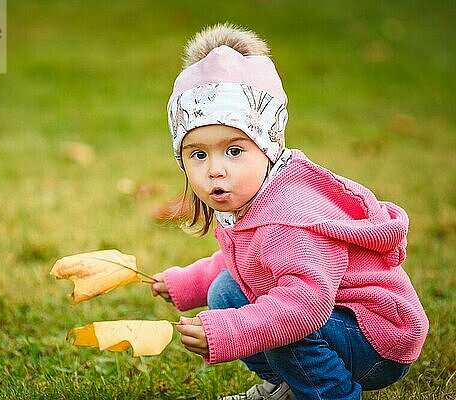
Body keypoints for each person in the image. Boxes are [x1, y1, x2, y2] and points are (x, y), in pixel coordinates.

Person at [151, 23, 428, 400]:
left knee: (283, 325)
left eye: (234, 150)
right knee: (227, 291)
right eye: (198, 154)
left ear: (268, 145)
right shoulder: (249, 196)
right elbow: (247, 261)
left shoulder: (288, 217)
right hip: (335, 319)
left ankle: (330, 394)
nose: (215, 169)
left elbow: (303, 307)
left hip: (377, 337)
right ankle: (288, 387)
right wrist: (187, 283)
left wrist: (231, 331)